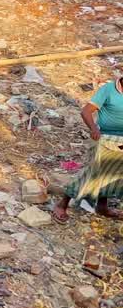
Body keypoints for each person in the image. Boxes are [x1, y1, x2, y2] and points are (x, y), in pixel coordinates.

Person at [54, 75, 123, 223]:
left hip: (121, 140)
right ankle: (62, 204)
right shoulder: (108, 89)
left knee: (113, 173)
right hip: (103, 137)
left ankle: (102, 206)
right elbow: (86, 111)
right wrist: (93, 129)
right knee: (92, 173)